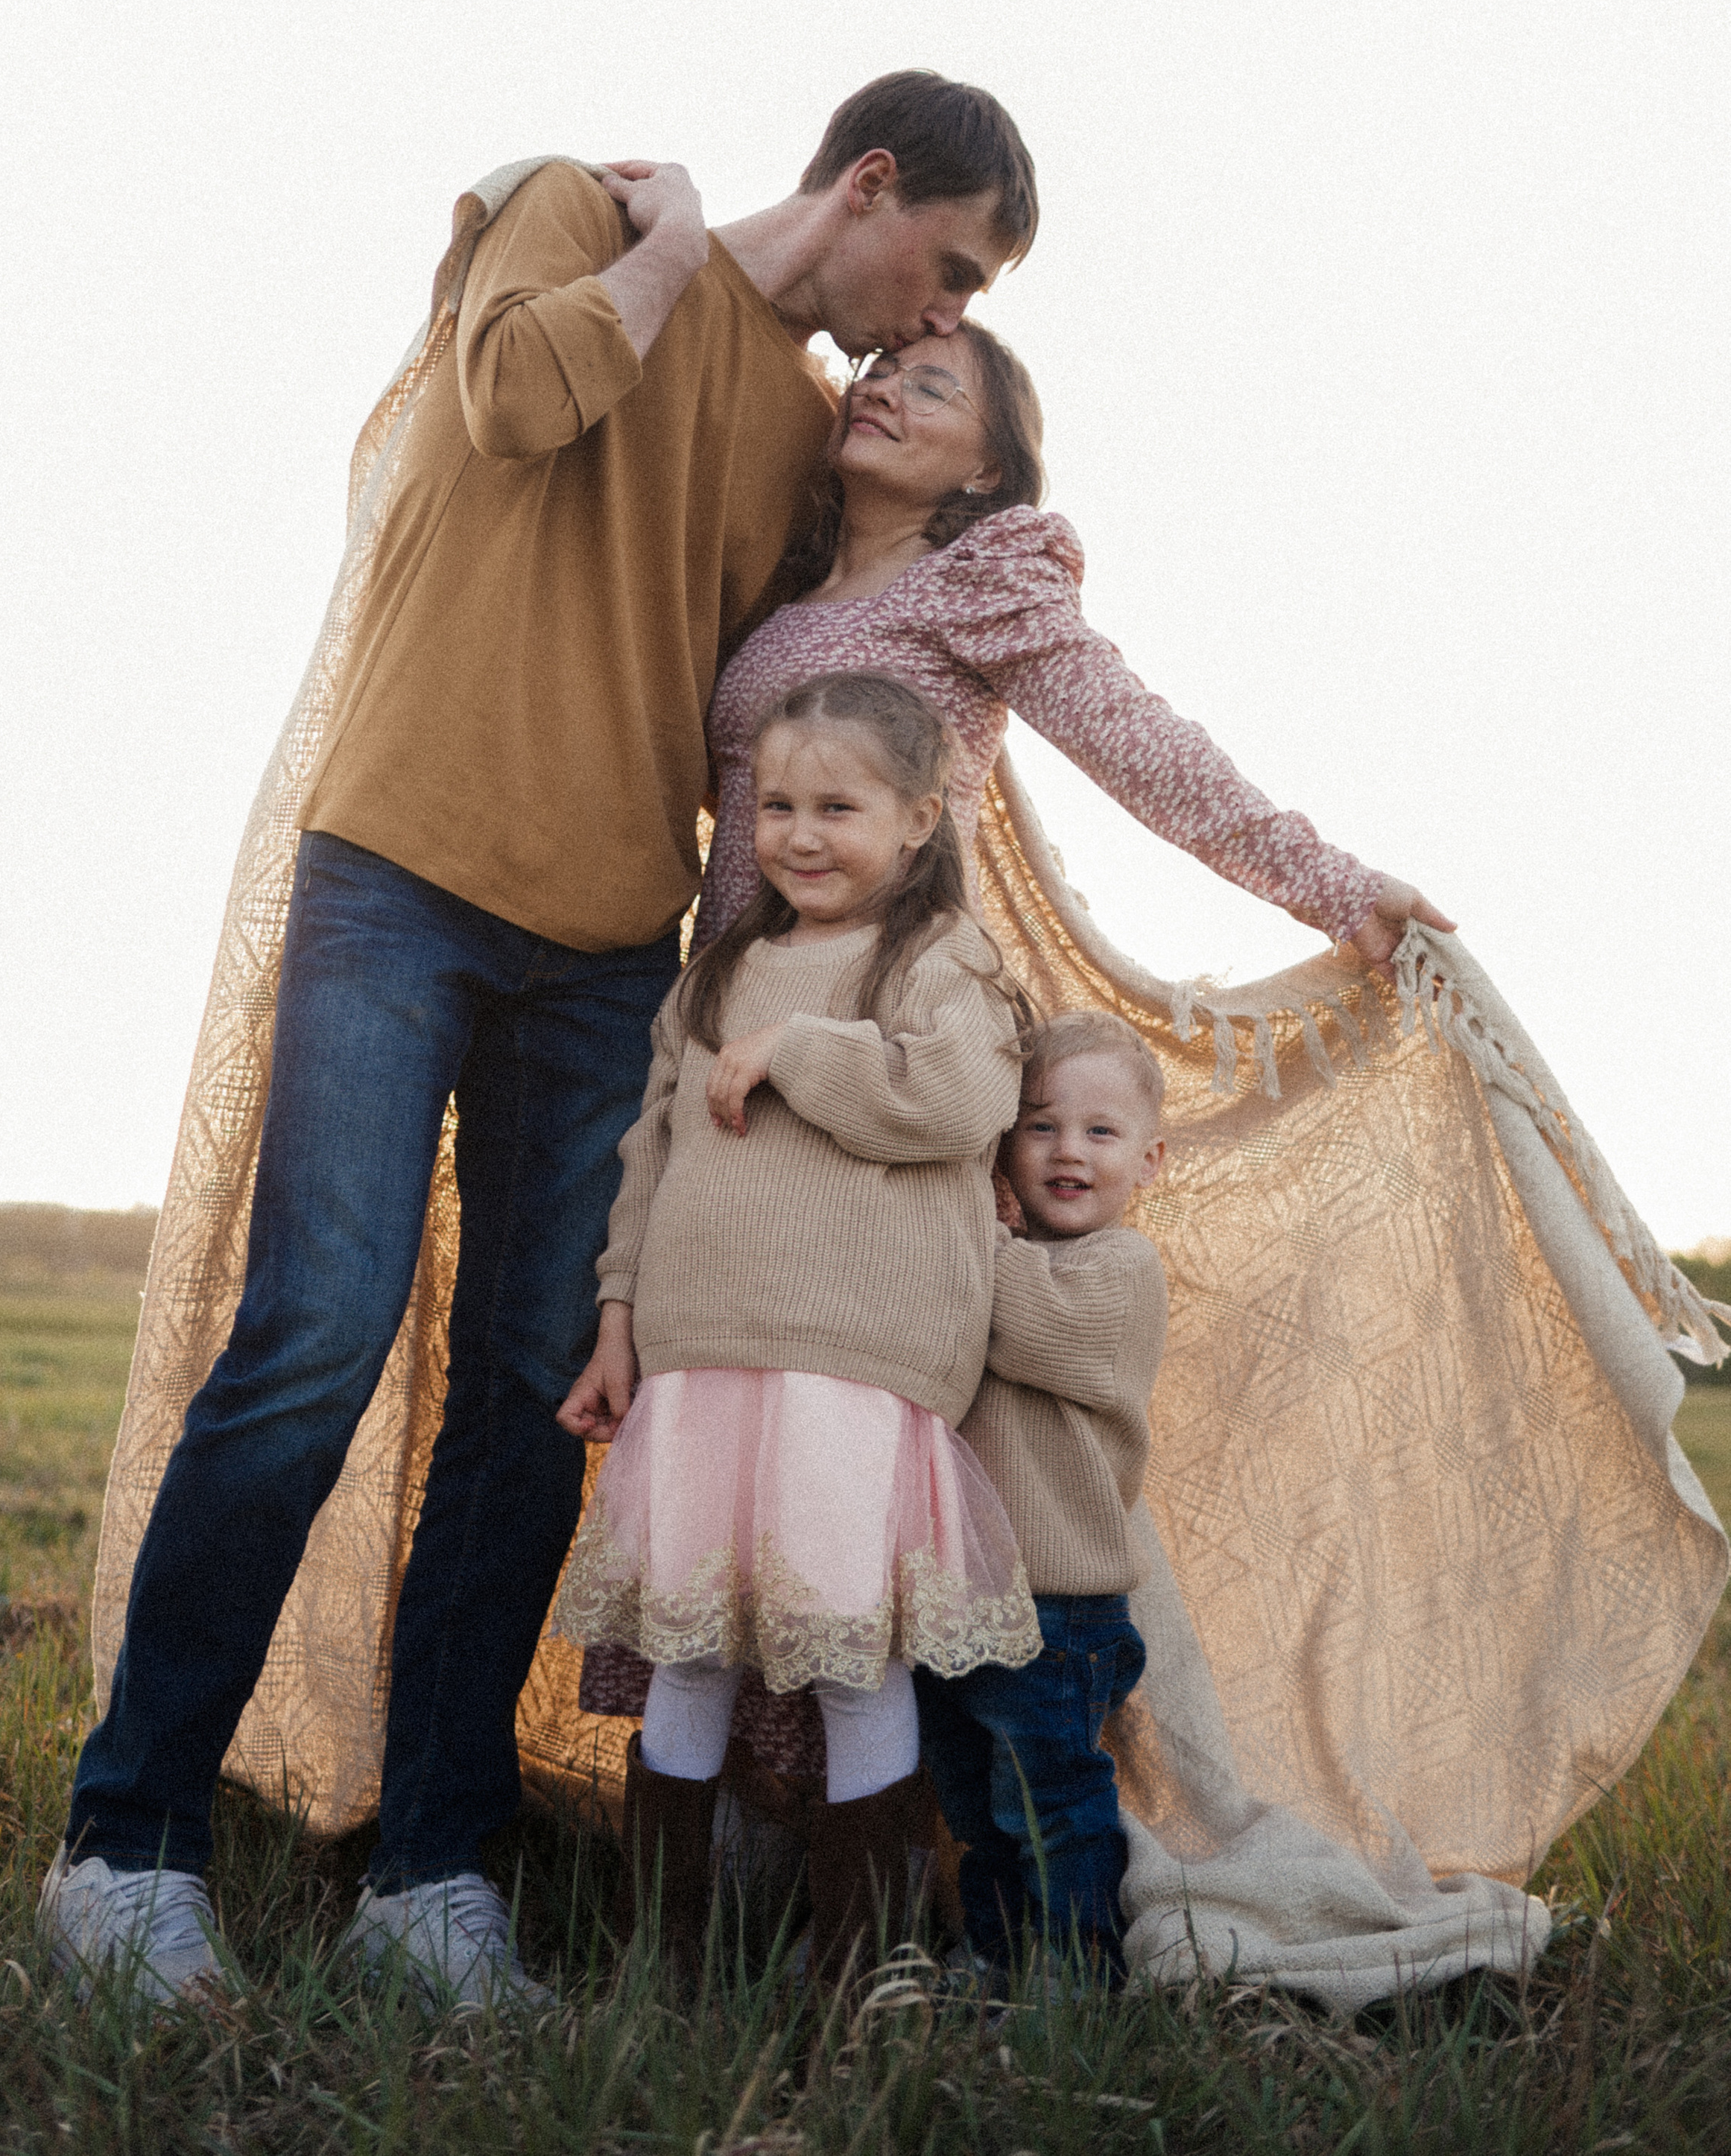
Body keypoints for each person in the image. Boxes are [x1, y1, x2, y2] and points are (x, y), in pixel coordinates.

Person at [39, 72, 1041, 2010]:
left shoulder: (810, 437)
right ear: (872, 182)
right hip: (399, 872)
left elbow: (806, 694)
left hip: (602, 950)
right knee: (314, 1333)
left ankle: (432, 1873)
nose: (942, 316)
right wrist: (669, 249)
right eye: (955, 267)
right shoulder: (582, 213)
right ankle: (126, 1844)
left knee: (525, 1394)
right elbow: (510, 400)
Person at [580, 315, 1453, 1773]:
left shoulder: (982, 581)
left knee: (834, 1455)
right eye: (879, 368)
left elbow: (1144, 747)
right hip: (734, 999)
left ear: (987, 466)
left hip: (877, 1034)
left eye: (930, 386)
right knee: (733, 1441)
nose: (881, 388)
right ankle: (738, 1833)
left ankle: (862, 1838)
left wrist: (1329, 882)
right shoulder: (786, 580)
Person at [551, 671, 1045, 1984]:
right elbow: (650, 1152)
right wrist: (618, 1315)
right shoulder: (718, 970)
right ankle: (664, 1958)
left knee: (850, 1657)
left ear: (922, 818)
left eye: (839, 806)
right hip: (699, 1361)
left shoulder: (943, 959)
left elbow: (960, 1100)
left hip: (850, 1371)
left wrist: (798, 1050)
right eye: (776, 805)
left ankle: (861, 1967)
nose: (801, 833)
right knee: (690, 1652)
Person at [915, 1009, 1170, 1988]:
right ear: (1003, 1144)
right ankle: (996, 1954)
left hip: (1057, 1608)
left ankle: (1078, 1974)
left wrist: (965, 1215)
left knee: (1051, 1804)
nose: (1068, 1151)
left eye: (1100, 1132)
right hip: (958, 1595)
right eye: (1041, 1126)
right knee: (975, 1809)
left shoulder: (1120, 1267)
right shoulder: (997, 1252)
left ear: (1149, 1160)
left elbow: (1025, 1326)